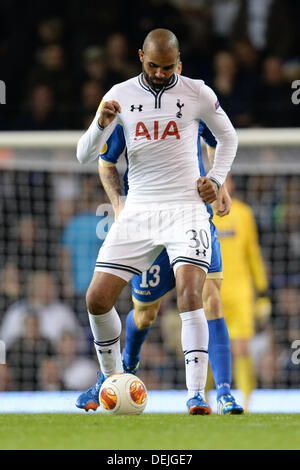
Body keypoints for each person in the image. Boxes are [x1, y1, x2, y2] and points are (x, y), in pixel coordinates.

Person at [76, 28, 238, 415]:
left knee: (192, 293)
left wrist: (215, 181)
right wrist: (99, 124)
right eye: (154, 66)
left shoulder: (198, 92)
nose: (162, 74)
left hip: (186, 209)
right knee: (97, 298)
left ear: (178, 62)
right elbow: (86, 155)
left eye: (169, 67)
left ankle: (197, 395)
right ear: (140, 57)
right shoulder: (119, 94)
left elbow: (228, 137)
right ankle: (114, 379)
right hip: (140, 211)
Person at [213, 174, 271, 410]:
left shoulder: (243, 214)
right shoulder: (202, 214)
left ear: (232, 184)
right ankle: (206, 401)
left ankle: (246, 403)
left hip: (240, 293)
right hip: (211, 291)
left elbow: (253, 254)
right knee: (208, 348)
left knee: (242, 347)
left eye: (227, 179)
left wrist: (263, 291)